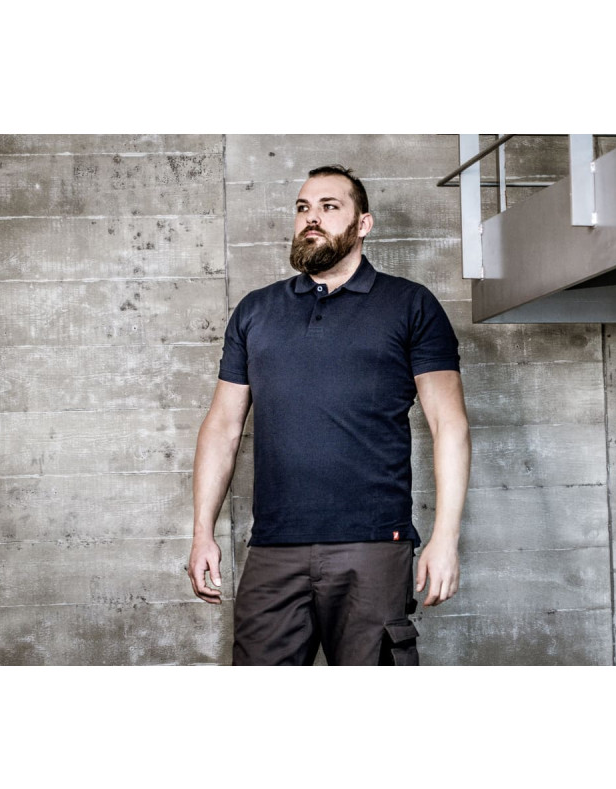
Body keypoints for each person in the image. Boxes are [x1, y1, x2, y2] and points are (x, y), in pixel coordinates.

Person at [188, 164, 471, 665]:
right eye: (303, 208)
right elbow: (223, 428)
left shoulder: (410, 305)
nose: (311, 218)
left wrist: (445, 539)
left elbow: (448, 425)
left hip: (373, 545)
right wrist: (202, 532)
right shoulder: (256, 311)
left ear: (363, 224)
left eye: (329, 207)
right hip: (274, 546)